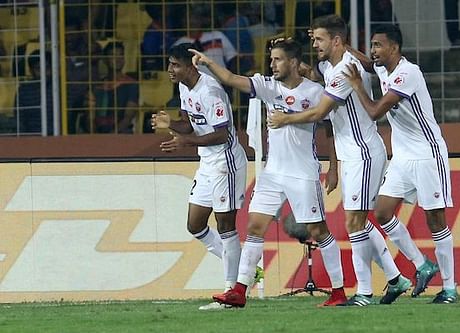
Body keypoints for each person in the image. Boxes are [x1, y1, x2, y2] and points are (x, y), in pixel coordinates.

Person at [268, 15, 415, 306]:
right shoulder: (327, 67)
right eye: (313, 39)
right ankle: (396, 278)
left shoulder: (345, 69)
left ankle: (363, 292)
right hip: (351, 156)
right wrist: (334, 166)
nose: (315, 44)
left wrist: (286, 118)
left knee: (353, 222)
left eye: (320, 39)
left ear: (336, 40)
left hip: (363, 153)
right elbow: (326, 97)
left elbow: (319, 113)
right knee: (359, 222)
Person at [191, 37, 348, 308]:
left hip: (303, 173)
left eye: (277, 59)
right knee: (253, 227)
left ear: (294, 63)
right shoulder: (268, 86)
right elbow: (230, 78)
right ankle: (239, 290)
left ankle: (338, 292)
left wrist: (334, 168)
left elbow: (329, 129)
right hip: (273, 172)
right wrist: (207, 63)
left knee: (318, 230)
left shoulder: (314, 92)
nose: (272, 64)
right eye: (271, 59)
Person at [343, 24, 457, 304]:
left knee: (435, 220)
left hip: (428, 155)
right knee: (381, 212)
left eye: (378, 45)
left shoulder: (408, 73)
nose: (373, 51)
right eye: (372, 45)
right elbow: (369, 64)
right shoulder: (384, 67)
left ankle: (450, 288)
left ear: (394, 48)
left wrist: (357, 86)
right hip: (403, 157)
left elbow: (374, 112)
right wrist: (341, 46)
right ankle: (422, 264)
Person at [150, 43, 248, 311]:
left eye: (175, 65)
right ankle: (243, 270)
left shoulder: (211, 90)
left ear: (191, 66)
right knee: (195, 225)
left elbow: (222, 134)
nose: (170, 70)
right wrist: (170, 124)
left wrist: (184, 142)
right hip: (207, 162)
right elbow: (191, 124)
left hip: (225, 162)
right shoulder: (184, 87)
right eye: (170, 64)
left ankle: (232, 292)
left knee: (226, 225)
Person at [94, 41, 139, 133]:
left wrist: (112, 136)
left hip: (121, 133)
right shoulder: (98, 86)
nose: (118, 59)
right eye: (113, 55)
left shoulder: (131, 85)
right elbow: (90, 117)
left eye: (121, 55)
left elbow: (128, 117)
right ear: (105, 59)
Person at [14, 49, 53, 135]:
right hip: (32, 138)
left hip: (58, 137)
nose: (44, 72)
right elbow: (20, 121)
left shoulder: (59, 89)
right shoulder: (24, 91)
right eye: (38, 68)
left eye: (47, 67)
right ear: (31, 71)